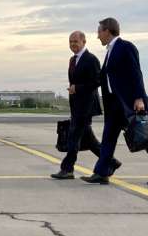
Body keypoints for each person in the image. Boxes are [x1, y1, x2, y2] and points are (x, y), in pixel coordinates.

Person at [81, 18, 148, 185]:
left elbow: (136, 73)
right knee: (108, 137)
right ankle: (102, 172)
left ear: (108, 31)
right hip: (114, 104)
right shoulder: (110, 51)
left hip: (129, 102)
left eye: (99, 31)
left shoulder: (125, 47)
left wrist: (139, 98)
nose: (97, 35)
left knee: (144, 136)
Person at [51, 31, 120, 179]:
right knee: (90, 141)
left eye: (75, 41)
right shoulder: (72, 60)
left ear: (84, 42)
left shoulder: (91, 59)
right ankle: (111, 161)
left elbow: (97, 81)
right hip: (77, 106)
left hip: (87, 106)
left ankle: (67, 169)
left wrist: (78, 88)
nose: (73, 44)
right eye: (70, 42)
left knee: (73, 137)